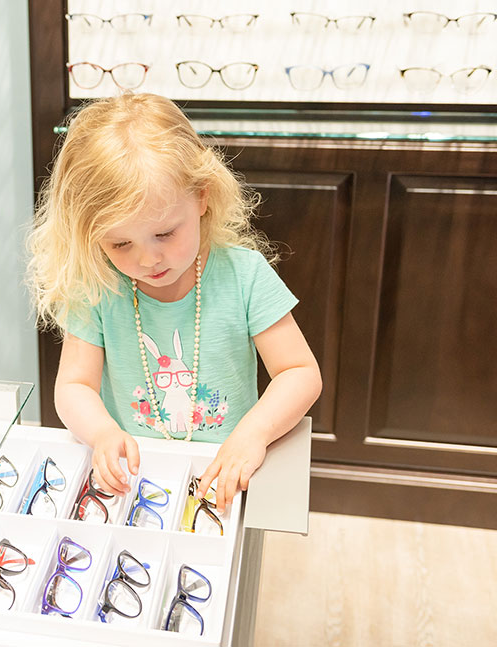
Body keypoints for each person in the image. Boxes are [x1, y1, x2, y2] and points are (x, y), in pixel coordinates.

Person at [26, 93, 322, 514]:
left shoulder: (245, 275)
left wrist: (253, 433)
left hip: (229, 474)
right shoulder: (97, 286)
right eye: (121, 242)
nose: (147, 259)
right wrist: (103, 434)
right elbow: (74, 387)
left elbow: (299, 373)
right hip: (137, 478)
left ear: (202, 197)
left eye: (164, 234)